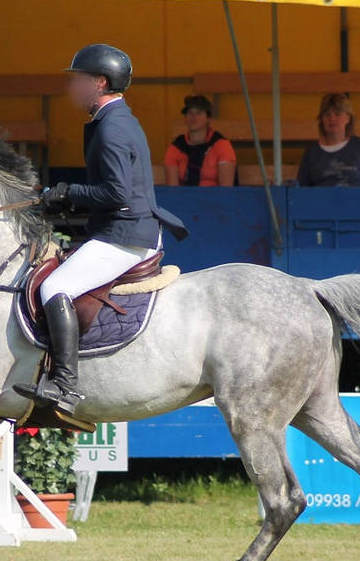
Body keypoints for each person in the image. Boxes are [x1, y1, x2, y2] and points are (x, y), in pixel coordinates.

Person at [12, 43, 189, 415]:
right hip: (122, 228)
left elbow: (116, 192)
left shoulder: (112, 127)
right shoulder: (115, 119)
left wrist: (67, 192)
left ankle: (64, 386)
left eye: (78, 80)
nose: (71, 87)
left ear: (100, 82)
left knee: (53, 286)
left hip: (124, 235)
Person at [295, 93, 360, 187]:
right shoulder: (311, 152)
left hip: (357, 201)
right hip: (322, 201)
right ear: (322, 119)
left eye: (337, 114)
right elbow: (302, 187)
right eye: (327, 115)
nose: (332, 118)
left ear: (348, 118)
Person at [163, 95, 236, 186]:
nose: (194, 117)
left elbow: (226, 191)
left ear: (208, 118)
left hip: (215, 199)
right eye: (190, 113)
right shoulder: (175, 147)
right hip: (184, 198)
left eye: (199, 113)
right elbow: (172, 191)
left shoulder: (222, 145)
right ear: (185, 118)